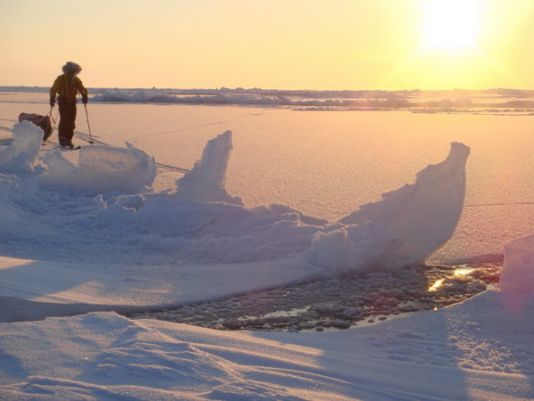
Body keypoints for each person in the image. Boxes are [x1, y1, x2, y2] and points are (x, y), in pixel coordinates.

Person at [49, 61, 88, 148]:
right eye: (71, 71)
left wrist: (85, 96)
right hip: (63, 101)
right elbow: (53, 89)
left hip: (73, 101)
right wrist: (52, 99)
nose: (73, 72)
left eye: (74, 71)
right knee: (64, 119)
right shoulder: (60, 78)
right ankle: (62, 138)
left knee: (71, 120)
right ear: (67, 70)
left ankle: (69, 139)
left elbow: (82, 89)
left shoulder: (76, 80)